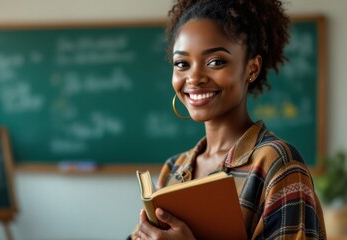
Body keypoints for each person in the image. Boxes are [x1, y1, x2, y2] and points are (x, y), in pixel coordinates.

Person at [130, 0, 326, 239]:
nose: (194, 78)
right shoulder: (174, 169)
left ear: (252, 68)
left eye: (216, 62)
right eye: (182, 64)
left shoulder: (277, 164)